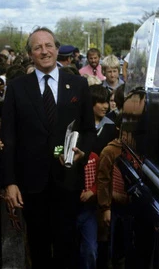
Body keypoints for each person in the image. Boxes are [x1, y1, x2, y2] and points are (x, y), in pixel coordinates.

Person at [1, 27, 96, 268]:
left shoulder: (78, 85)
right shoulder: (16, 87)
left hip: (67, 181)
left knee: (67, 247)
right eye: (37, 47)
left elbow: (88, 130)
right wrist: (10, 182)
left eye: (48, 46)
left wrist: (81, 153)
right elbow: (8, 137)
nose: (44, 51)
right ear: (30, 54)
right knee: (38, 246)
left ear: (56, 48)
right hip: (31, 185)